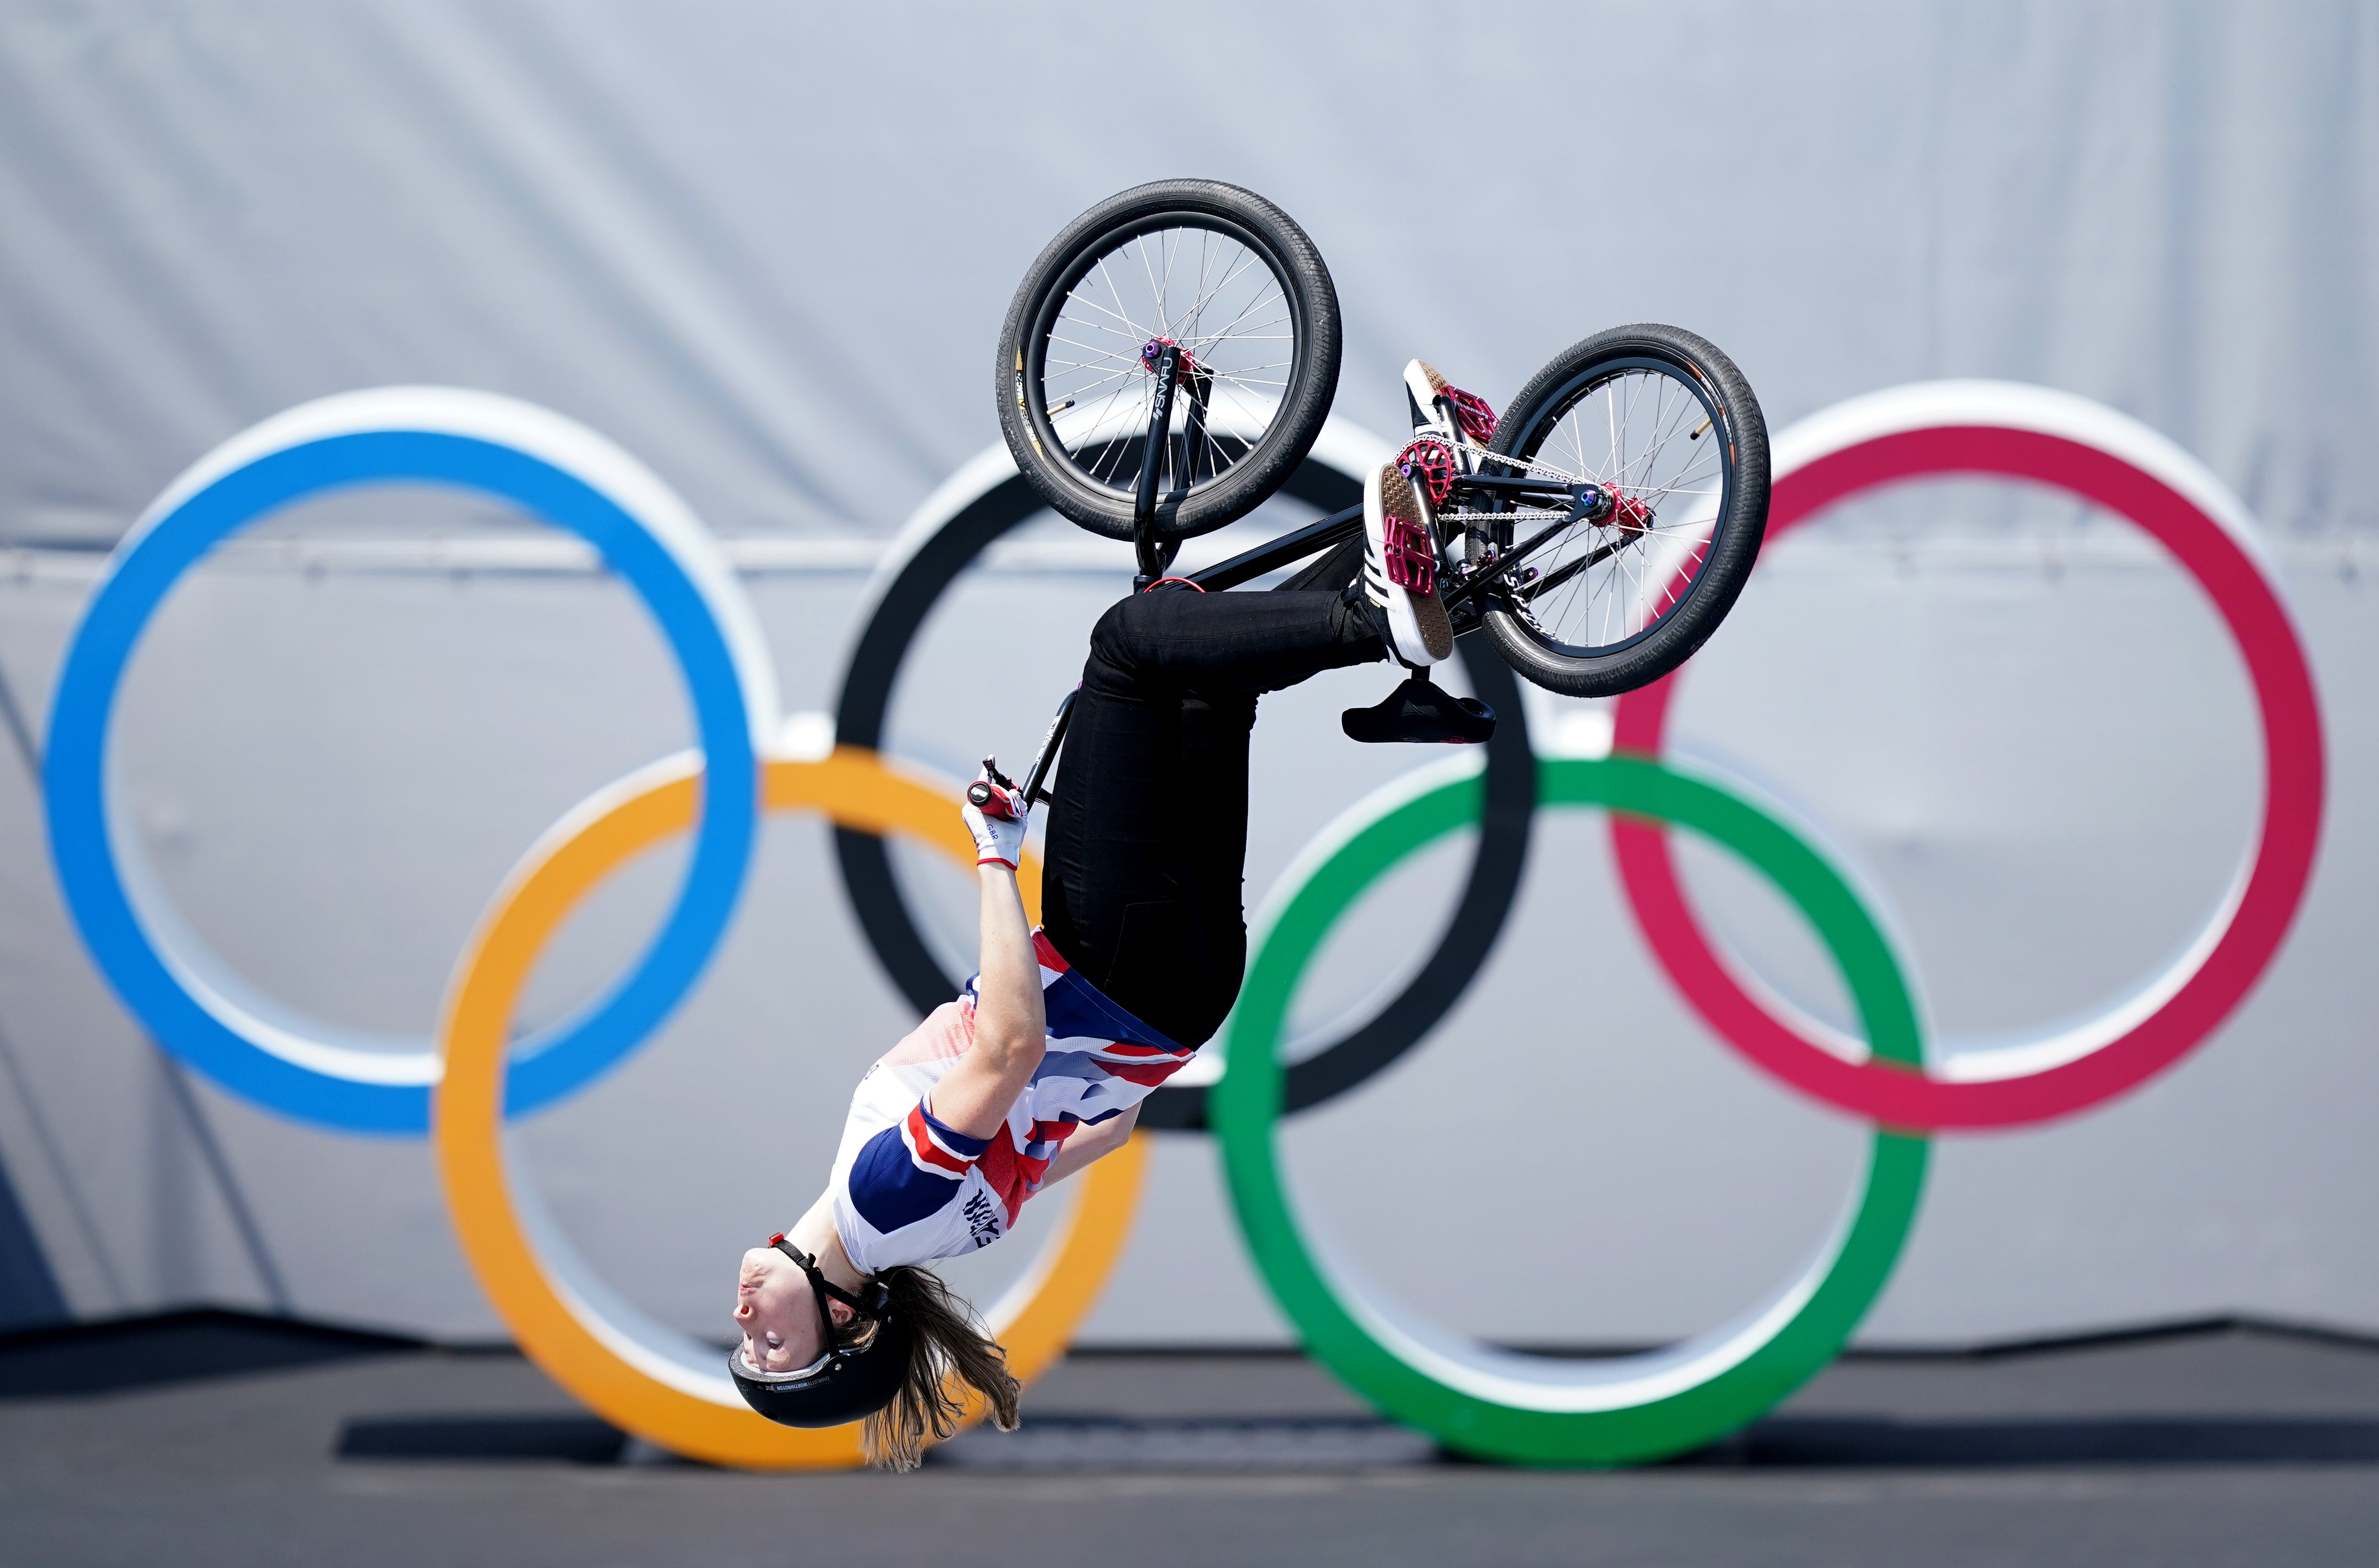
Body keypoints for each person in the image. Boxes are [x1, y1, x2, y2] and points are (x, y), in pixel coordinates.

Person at [729, 374, 1498, 1470]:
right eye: (776, 1352)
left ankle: (1451, 527)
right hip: (1113, 962)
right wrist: (995, 858)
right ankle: (1382, 611)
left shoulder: (948, 1229)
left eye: (742, 1349)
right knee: (1134, 647)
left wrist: (1054, 1089)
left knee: (1208, 680)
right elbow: (1009, 1045)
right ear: (845, 1326)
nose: (750, 1330)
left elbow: (1103, 1128)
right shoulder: (875, 1202)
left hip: (1180, 1000)